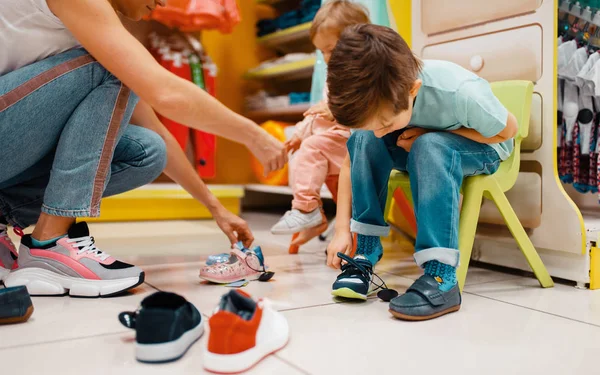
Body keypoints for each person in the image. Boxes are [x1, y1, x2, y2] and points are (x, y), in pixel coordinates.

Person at [0, 0, 287, 297]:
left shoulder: (91, 22)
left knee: (148, 150)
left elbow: (156, 130)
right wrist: (254, 135)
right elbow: (165, 93)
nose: (165, 3)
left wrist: (217, 209)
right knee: (117, 67)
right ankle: (50, 244)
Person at [325, 24, 518, 320]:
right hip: (414, 143)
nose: (380, 134)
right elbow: (353, 159)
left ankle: (442, 277)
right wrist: (341, 231)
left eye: (385, 124)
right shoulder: (373, 100)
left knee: (430, 146)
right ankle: (365, 251)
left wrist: (427, 133)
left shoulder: (459, 91)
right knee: (362, 139)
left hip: (485, 147)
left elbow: (507, 131)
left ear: (413, 90)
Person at [270, 0, 368, 237]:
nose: (326, 58)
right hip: (337, 147)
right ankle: (330, 226)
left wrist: (335, 111)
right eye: (322, 51)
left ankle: (306, 209)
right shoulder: (333, 76)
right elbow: (317, 114)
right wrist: (301, 133)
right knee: (307, 151)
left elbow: (367, 109)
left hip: (356, 142)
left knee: (314, 147)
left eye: (332, 50)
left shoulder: (363, 74)